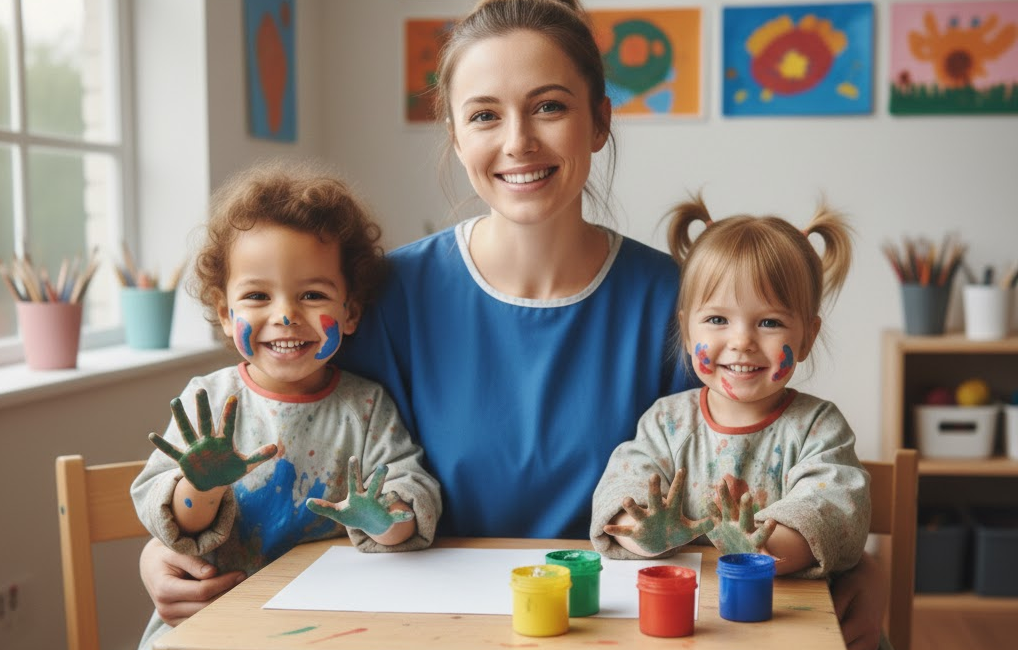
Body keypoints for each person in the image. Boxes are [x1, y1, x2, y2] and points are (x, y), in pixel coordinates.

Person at [137, 2, 888, 647]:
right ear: (457, 137)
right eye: (485, 116)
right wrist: (161, 552)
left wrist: (862, 563)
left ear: (599, 121)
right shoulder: (383, 296)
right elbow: (297, 451)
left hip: (616, 630)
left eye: (550, 106)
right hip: (425, 630)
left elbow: (755, 466)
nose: (518, 141)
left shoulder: (685, 305)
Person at [130, 160, 442, 649]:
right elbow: (175, 524)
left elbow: (410, 499)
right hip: (214, 628)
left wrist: (382, 518)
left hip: (332, 628)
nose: (285, 315)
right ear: (225, 313)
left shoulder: (364, 407)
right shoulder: (207, 403)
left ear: (351, 310)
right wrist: (200, 485)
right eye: (257, 295)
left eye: (312, 294)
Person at [591, 194, 870, 581]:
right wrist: (646, 535)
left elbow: (834, 510)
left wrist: (759, 549)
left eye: (770, 322)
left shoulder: (819, 428)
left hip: (788, 618)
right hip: (692, 614)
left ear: (807, 337)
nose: (742, 341)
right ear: (688, 332)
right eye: (718, 319)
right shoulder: (667, 423)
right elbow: (621, 487)